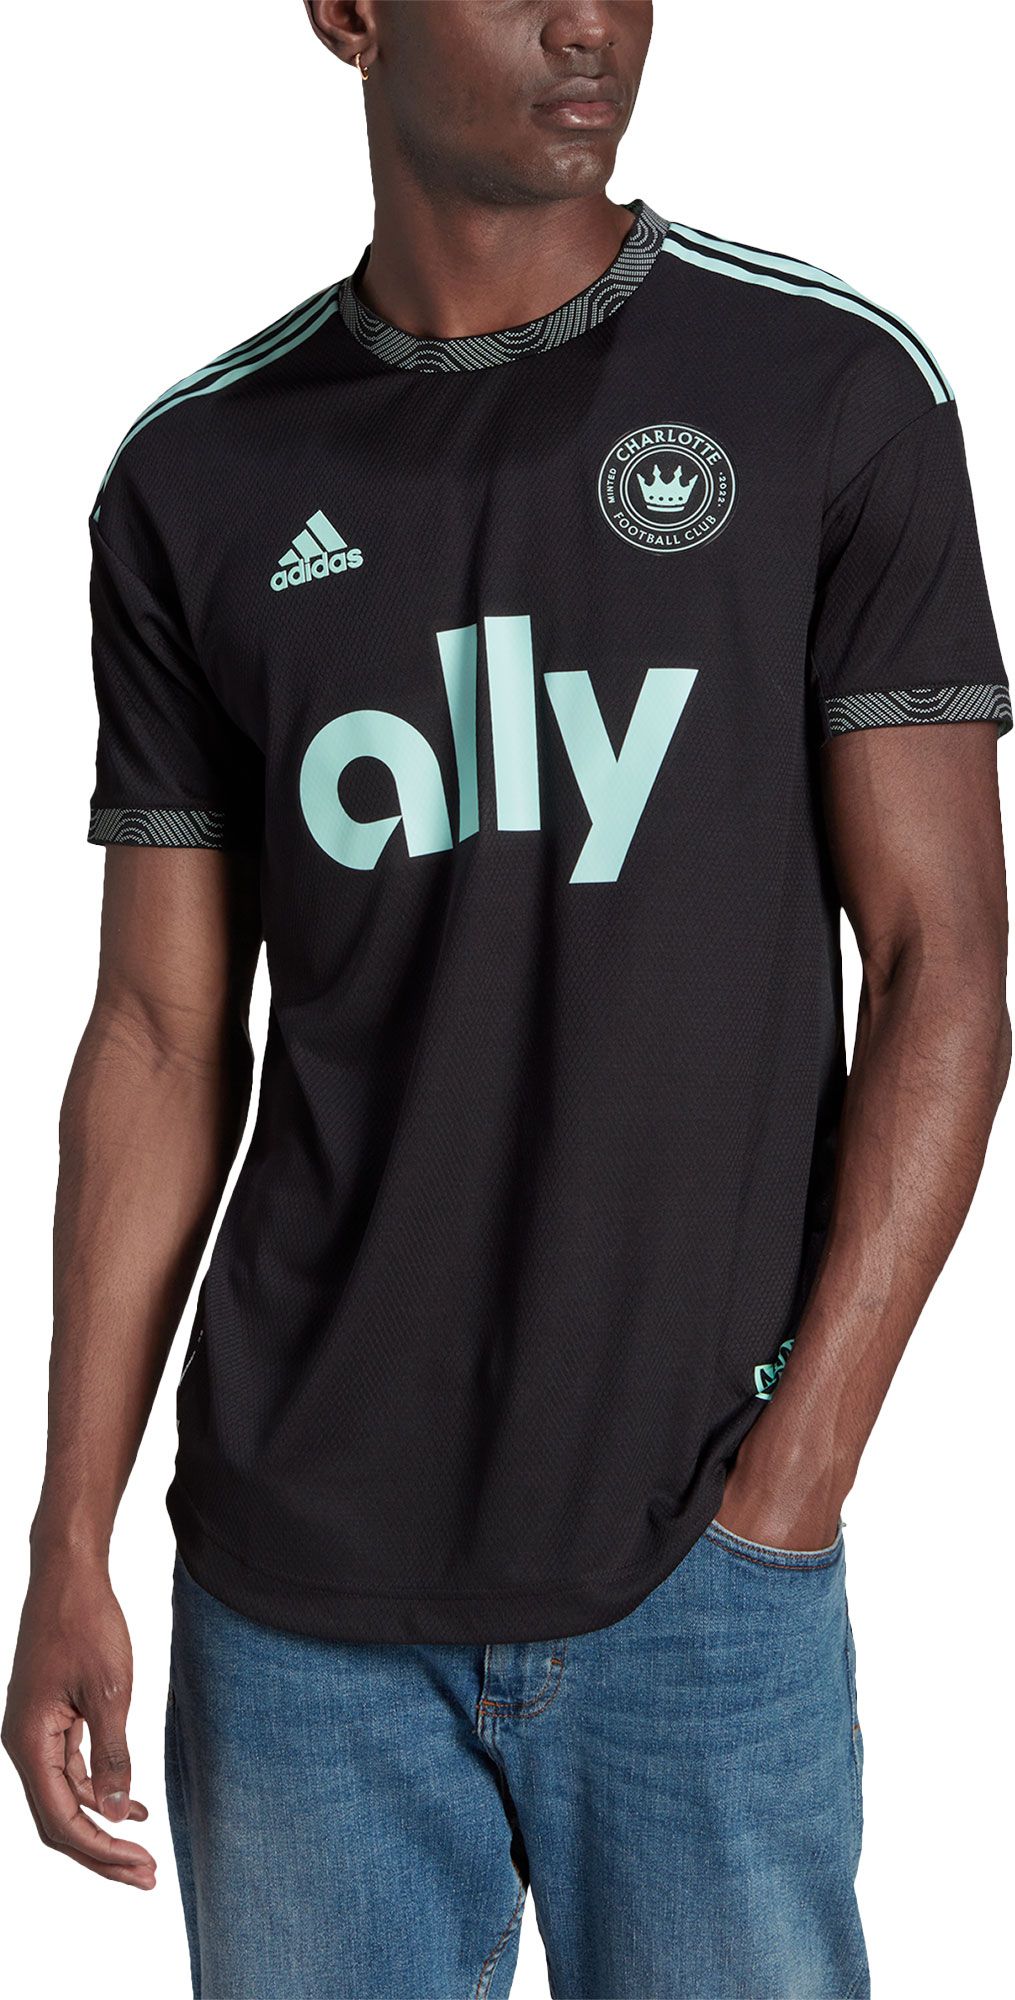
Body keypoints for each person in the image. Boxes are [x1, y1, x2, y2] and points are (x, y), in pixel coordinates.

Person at [4, 2, 1010, 1995]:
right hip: (294, 1601)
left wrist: (791, 1488)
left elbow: (942, 967)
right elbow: (158, 1039)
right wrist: (67, 1534)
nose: (591, 20)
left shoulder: (822, 388)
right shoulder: (197, 476)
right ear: (349, 12)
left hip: (695, 1564)